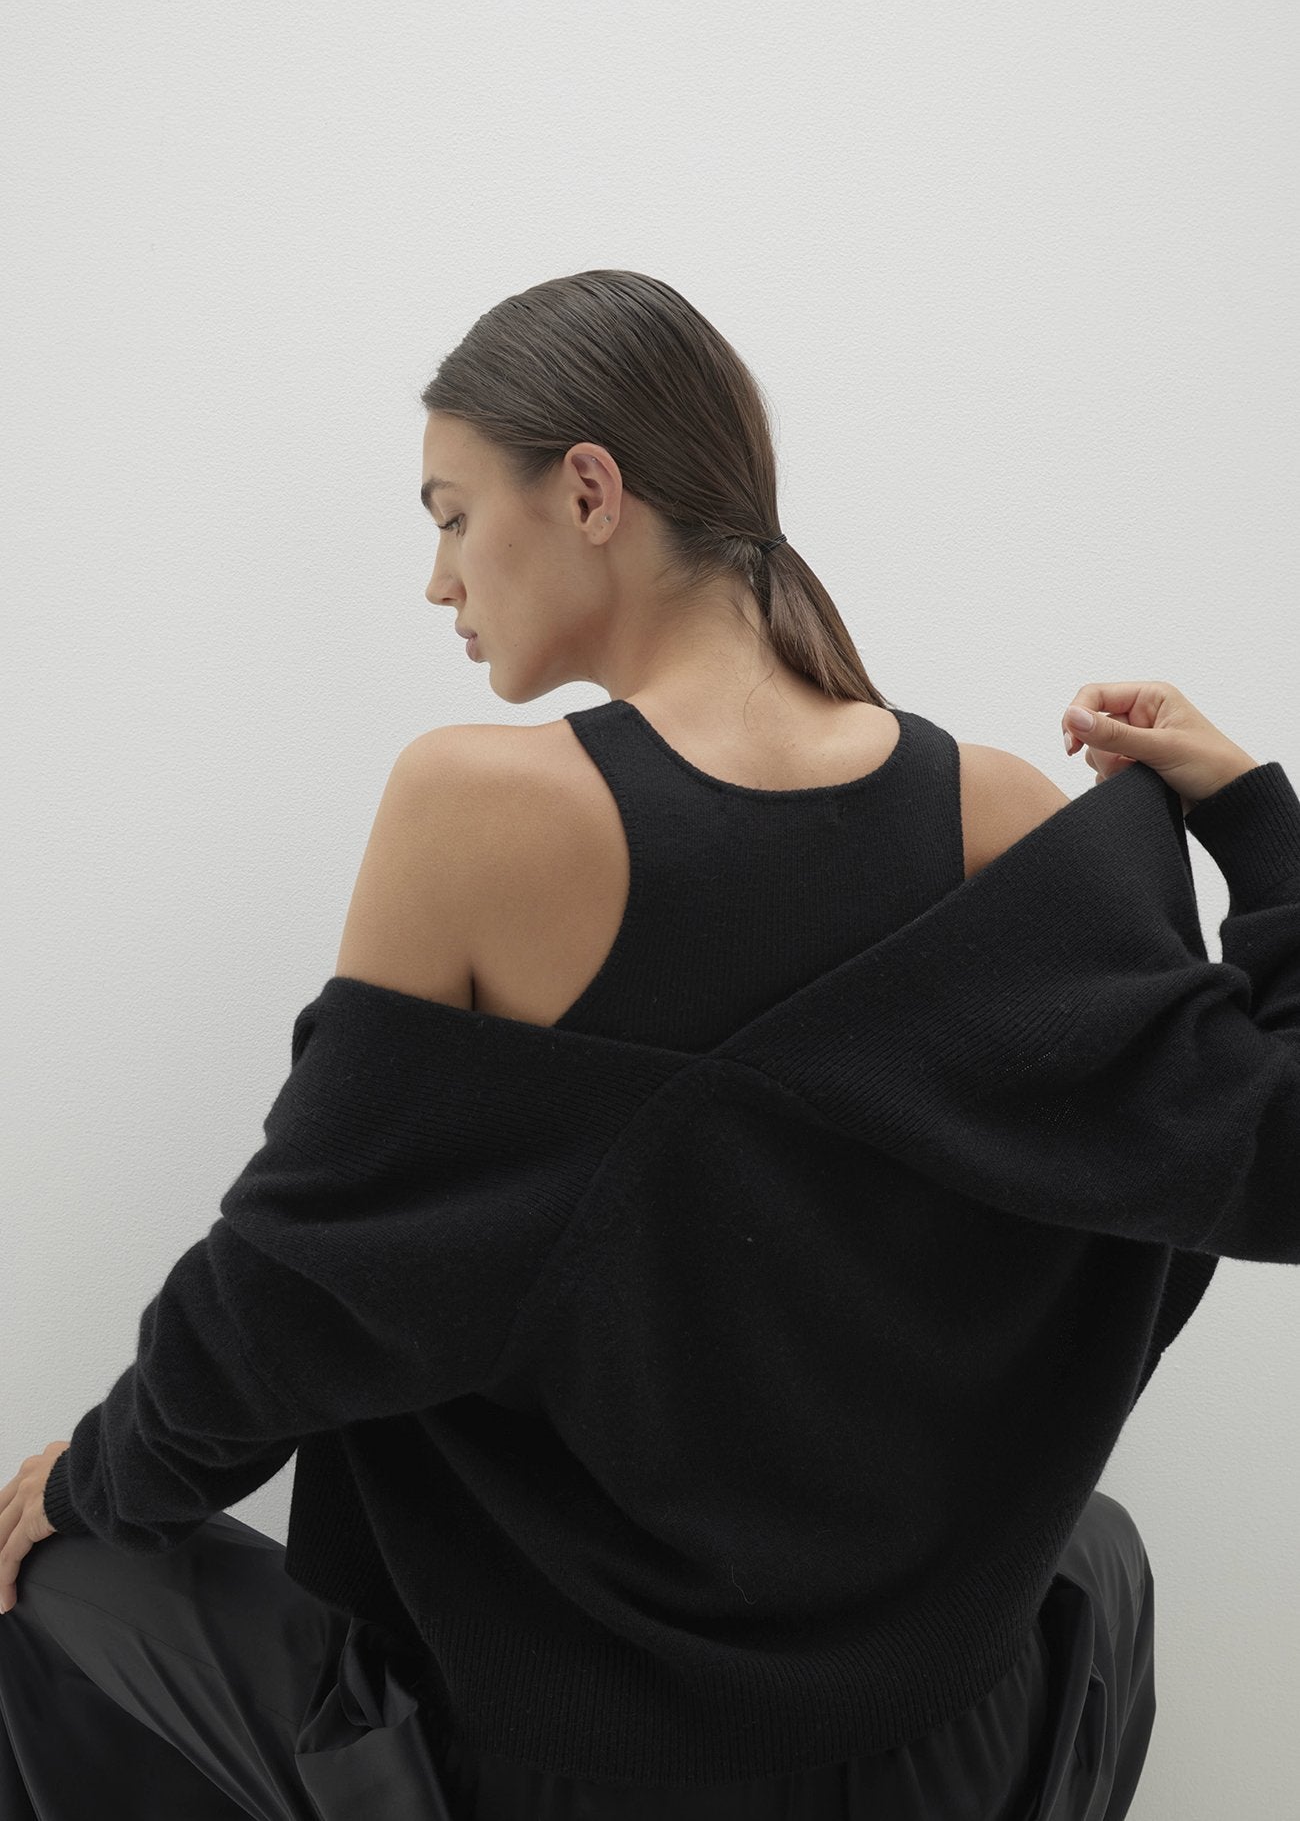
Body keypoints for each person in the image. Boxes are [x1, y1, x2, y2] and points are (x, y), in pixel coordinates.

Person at [1, 271, 1285, 1819]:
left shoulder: (477, 805)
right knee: (1096, 1551)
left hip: (580, 1768)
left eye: (453, 515)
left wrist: (92, 1478)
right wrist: (1253, 816)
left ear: (590, 491)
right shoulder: (998, 810)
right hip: (951, 1743)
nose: (438, 578)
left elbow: (287, 1291)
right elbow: (1263, 1150)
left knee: (56, 1585)